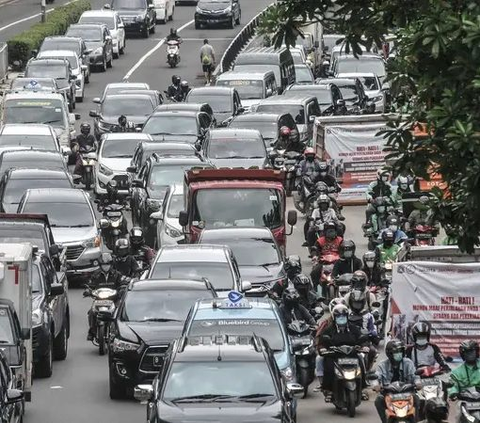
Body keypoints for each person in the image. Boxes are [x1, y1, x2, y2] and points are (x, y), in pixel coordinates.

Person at [320, 304, 364, 399]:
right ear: (334, 317)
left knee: (361, 361)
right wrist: (324, 349)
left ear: (347, 316)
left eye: (343, 316)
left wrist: (365, 346)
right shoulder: (329, 329)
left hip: (351, 354)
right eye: (339, 316)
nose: (341, 318)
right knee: (328, 366)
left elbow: (361, 338)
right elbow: (322, 341)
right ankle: (329, 389)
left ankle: (363, 387)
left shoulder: (353, 328)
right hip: (335, 355)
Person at [374, 339, 418, 423]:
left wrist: (418, 382)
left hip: (407, 394)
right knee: (378, 400)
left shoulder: (408, 363)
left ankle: (415, 420)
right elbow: (377, 376)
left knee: (416, 398)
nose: (399, 354)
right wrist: (376, 385)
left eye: (400, 351)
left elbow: (415, 375)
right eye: (396, 352)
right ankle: (385, 421)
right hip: (389, 394)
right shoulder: (382, 365)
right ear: (389, 354)